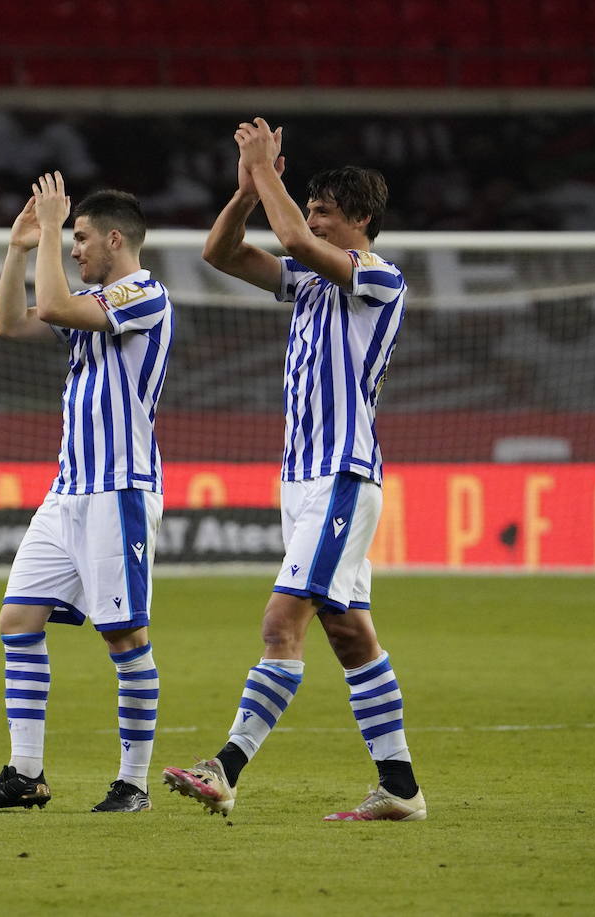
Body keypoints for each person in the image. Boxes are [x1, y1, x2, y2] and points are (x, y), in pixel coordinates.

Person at [162, 118, 424, 822]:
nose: (311, 219)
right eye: (308, 206)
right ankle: (400, 787)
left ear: (360, 219)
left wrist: (263, 170)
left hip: (343, 474)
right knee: (350, 634)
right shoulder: (308, 280)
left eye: (324, 209)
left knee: (281, 622)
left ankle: (225, 767)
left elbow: (297, 241)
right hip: (302, 480)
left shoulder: (380, 279)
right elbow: (220, 252)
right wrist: (248, 190)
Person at [0, 172, 173, 814]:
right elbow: (10, 323)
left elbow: (51, 308)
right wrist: (19, 248)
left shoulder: (144, 294)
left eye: (81, 238)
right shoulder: (92, 301)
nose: (74, 249)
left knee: (124, 638)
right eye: (70, 238)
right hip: (68, 490)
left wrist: (50, 227)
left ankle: (133, 783)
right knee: (18, 621)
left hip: (119, 490)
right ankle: (26, 774)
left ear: (115, 240)